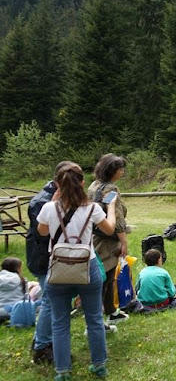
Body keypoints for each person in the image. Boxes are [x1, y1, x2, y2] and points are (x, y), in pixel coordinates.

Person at [36, 162, 117, 380]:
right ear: (82, 182)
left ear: (56, 185)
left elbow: (42, 232)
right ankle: (99, 365)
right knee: (94, 319)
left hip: (58, 269)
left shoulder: (48, 208)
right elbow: (109, 228)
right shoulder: (92, 208)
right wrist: (110, 208)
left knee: (60, 322)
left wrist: (54, 203)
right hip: (87, 267)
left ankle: (62, 371)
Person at [26, 161, 72, 364]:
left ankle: (42, 339)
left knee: (54, 301)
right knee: (51, 302)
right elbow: (43, 235)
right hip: (44, 260)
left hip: (57, 259)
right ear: (57, 182)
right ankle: (42, 347)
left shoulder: (63, 197)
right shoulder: (41, 202)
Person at [87, 153, 130, 325]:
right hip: (108, 239)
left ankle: (111, 311)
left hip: (95, 235)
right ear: (112, 170)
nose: (123, 172)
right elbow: (117, 218)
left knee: (105, 275)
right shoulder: (111, 190)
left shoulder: (94, 185)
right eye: (121, 169)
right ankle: (100, 318)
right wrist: (124, 242)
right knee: (105, 277)